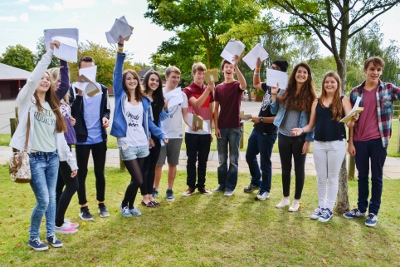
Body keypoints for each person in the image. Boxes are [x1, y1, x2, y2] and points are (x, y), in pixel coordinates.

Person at [10, 40, 78, 251]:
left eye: (47, 79)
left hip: (53, 158)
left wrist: (72, 162)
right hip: (35, 158)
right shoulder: (26, 102)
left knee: (52, 199)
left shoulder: (53, 106)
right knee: (44, 200)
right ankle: (33, 237)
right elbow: (33, 78)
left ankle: (50, 235)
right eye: (41, 78)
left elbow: (60, 137)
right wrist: (50, 52)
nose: (43, 80)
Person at [111, 37, 167, 216]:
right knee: (138, 177)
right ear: (124, 81)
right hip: (127, 142)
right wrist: (120, 49)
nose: (131, 81)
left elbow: (149, 122)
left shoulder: (143, 101)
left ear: (137, 80)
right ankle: (124, 205)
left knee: (138, 178)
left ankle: (131, 205)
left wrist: (160, 133)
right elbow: (117, 72)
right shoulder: (120, 95)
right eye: (128, 79)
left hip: (143, 142)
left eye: (134, 78)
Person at [292, 71, 357, 222]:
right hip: (319, 144)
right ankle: (321, 207)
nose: (329, 84)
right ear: (323, 84)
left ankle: (328, 209)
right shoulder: (317, 101)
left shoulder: (343, 100)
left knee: (332, 178)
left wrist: (353, 119)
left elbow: (349, 124)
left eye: (332, 82)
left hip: (337, 144)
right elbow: (311, 125)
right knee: (321, 178)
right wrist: (301, 129)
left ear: (337, 84)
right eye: (327, 82)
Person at [344, 56, 400, 227]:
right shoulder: (355, 92)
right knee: (362, 177)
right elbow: (350, 120)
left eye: (378, 70)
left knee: (376, 177)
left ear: (381, 71)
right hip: (359, 141)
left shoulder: (389, 89)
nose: (375, 73)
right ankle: (361, 209)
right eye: (372, 69)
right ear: (365, 70)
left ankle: (373, 212)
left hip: (379, 141)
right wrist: (351, 142)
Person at [270, 62, 317, 212]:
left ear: (308, 76)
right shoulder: (285, 90)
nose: (301, 74)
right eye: (299, 72)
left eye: (304, 72)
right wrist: (274, 94)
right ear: (294, 73)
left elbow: (312, 122)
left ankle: (296, 201)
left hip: (300, 138)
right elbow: (274, 110)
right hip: (283, 134)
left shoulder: (311, 97)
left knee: (299, 169)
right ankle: (285, 198)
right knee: (285, 168)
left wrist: (308, 140)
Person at [70, 56, 111, 220]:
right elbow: (71, 114)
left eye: (91, 69)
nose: (88, 72)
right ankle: (83, 207)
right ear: (80, 70)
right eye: (84, 69)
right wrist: (80, 94)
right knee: (82, 173)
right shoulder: (73, 88)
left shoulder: (101, 88)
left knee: (100, 173)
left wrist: (106, 117)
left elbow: (106, 109)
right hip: (81, 139)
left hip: (99, 138)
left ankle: (101, 204)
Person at [243, 58, 288, 201]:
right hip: (258, 128)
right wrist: (257, 68)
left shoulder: (283, 91)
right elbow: (256, 83)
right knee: (249, 156)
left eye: (275, 68)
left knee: (265, 161)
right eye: (271, 67)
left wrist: (260, 119)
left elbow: (278, 118)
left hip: (268, 132)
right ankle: (256, 181)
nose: (272, 69)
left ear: (282, 72)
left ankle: (265, 190)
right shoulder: (269, 85)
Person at [153, 66, 194, 201]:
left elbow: (185, 115)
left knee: (172, 163)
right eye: (173, 77)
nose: (176, 80)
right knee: (158, 164)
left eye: (177, 77)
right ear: (167, 78)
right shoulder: (159, 93)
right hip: (161, 134)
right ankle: (155, 189)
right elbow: (154, 115)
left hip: (176, 135)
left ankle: (169, 190)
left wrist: (189, 124)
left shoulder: (182, 95)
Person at [48, 64, 79, 234]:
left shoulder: (63, 101)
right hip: (60, 151)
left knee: (60, 186)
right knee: (73, 185)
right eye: (57, 81)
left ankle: (56, 220)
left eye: (61, 80)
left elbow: (63, 123)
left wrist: (70, 122)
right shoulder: (52, 100)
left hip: (66, 147)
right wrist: (64, 61)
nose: (61, 84)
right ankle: (58, 223)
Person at [213, 55, 247, 197]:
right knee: (221, 159)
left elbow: (244, 85)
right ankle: (222, 185)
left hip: (235, 128)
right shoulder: (218, 88)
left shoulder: (237, 86)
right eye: (226, 67)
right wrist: (216, 127)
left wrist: (237, 65)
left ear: (233, 70)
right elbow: (215, 109)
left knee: (233, 159)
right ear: (222, 70)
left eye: (231, 67)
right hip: (222, 127)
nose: (228, 69)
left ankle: (230, 187)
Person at [182, 62, 215, 196]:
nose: (201, 76)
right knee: (191, 160)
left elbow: (211, 111)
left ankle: (201, 186)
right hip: (192, 131)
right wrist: (208, 90)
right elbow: (196, 105)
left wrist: (211, 131)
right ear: (193, 74)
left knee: (203, 160)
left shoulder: (209, 89)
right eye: (199, 73)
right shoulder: (187, 90)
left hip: (205, 131)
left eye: (203, 73)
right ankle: (190, 187)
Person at [140, 71, 169, 207]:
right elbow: (146, 121)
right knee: (145, 168)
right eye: (152, 80)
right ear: (146, 81)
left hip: (156, 138)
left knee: (152, 168)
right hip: (147, 138)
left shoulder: (158, 98)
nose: (155, 83)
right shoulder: (143, 99)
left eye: (157, 81)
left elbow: (159, 119)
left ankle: (150, 196)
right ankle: (144, 197)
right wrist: (152, 136)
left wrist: (165, 109)